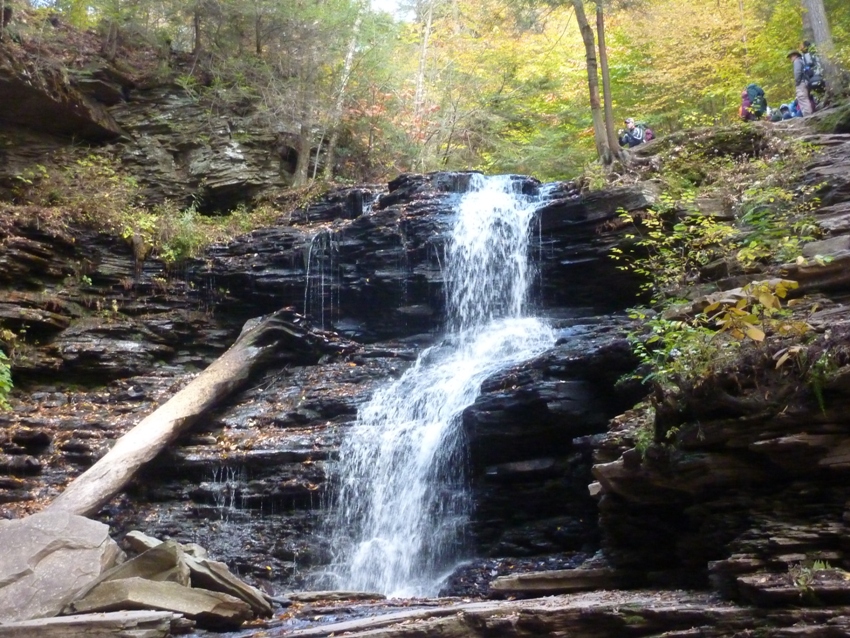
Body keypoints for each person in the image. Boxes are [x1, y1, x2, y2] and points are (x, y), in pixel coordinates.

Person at [787, 50, 814, 117]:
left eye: (791, 57)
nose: (790, 59)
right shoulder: (802, 61)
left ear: (795, 55)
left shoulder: (797, 61)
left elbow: (797, 73)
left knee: (802, 99)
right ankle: (808, 115)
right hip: (805, 82)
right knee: (804, 98)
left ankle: (808, 116)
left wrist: (797, 83)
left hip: (801, 83)